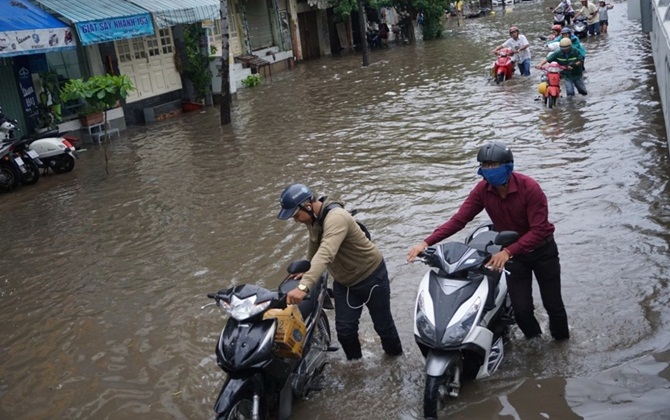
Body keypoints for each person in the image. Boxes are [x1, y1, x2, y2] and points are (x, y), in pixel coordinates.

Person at [406, 143, 570, 341]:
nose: (490, 170)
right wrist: (425, 242)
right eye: (485, 165)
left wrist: (508, 252)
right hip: (514, 258)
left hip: (542, 251)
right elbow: (459, 220)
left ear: (508, 166)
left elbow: (539, 229)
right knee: (522, 310)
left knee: (553, 305)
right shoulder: (482, 190)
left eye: (494, 165)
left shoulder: (530, 189)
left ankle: (561, 345)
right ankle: (535, 343)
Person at [278, 184, 403, 360]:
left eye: (296, 215)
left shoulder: (336, 218)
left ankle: (395, 361)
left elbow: (326, 253)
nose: (296, 220)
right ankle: (356, 364)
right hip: (345, 282)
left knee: (383, 326)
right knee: (345, 330)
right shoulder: (313, 220)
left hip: (371, 276)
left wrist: (303, 286)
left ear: (307, 206)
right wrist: (306, 269)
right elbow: (314, 245)